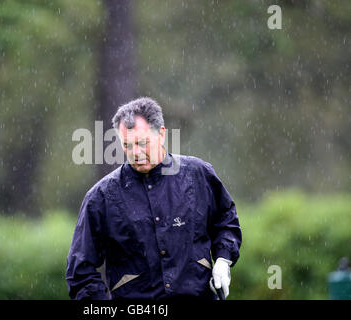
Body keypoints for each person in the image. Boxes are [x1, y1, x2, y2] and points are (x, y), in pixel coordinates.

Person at [66, 97, 242, 300]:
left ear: (161, 134)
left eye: (142, 143)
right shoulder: (101, 197)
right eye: (127, 145)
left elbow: (226, 221)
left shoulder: (198, 175)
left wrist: (223, 259)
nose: (136, 153)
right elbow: (80, 272)